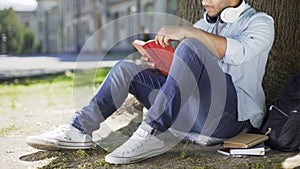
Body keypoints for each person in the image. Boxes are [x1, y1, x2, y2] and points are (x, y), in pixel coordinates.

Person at [26, 0, 274, 165]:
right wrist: (162, 63)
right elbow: (186, 76)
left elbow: (239, 51)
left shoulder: (261, 22)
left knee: (190, 44)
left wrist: (188, 34)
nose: (203, 1)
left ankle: (152, 131)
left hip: (231, 119)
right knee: (127, 69)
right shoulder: (200, 25)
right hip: (191, 114)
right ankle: (79, 129)